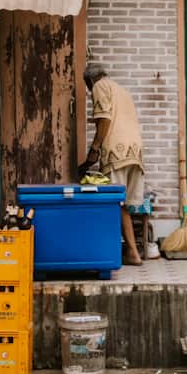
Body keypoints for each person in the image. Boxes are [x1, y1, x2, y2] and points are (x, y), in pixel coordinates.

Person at [82, 61, 146, 266]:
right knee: (123, 204)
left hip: (116, 151)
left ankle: (127, 253)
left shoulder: (100, 86)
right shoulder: (122, 90)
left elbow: (105, 119)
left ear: (91, 80)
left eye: (88, 88)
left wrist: (94, 149)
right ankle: (132, 253)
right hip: (134, 151)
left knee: (113, 202)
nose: (90, 91)